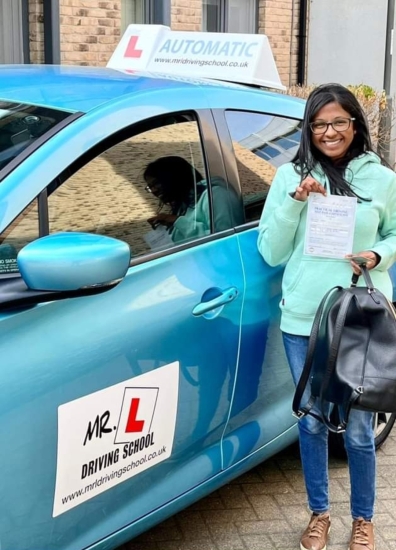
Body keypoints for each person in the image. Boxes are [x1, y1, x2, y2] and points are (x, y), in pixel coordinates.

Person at [257, 83, 396, 550]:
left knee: (358, 428)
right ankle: (319, 515)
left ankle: (363, 518)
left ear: (355, 124)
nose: (329, 132)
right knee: (312, 421)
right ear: (308, 130)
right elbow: (271, 252)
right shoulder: (288, 176)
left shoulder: (381, 179)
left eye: (338, 121)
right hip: (303, 318)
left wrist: (378, 253)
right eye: (319, 124)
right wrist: (297, 200)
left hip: (358, 317)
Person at [144, 156, 237, 244]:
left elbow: (226, 238)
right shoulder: (183, 206)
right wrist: (170, 228)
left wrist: (177, 221)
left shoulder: (215, 195)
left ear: (175, 177)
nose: (153, 190)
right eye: (150, 187)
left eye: (156, 183)